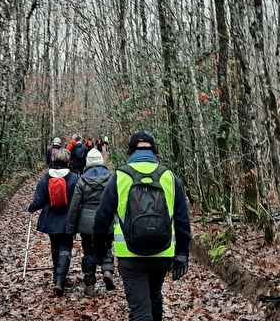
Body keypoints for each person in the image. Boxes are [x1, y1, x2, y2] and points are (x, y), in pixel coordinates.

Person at [92, 130, 191, 321]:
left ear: (130, 152)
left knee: (140, 310)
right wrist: (182, 253)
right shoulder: (169, 177)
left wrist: (100, 250)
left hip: (130, 255)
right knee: (154, 296)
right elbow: (182, 219)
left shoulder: (119, 176)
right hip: (163, 253)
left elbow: (102, 218)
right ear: (155, 151)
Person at [28, 149, 79, 297]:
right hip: (68, 220)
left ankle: (57, 275)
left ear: (52, 160)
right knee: (65, 248)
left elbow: (38, 202)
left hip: (50, 219)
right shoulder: (74, 178)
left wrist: (30, 208)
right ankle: (60, 279)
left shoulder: (45, 178)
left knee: (55, 247)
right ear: (68, 161)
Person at [66, 148, 115, 295]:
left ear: (88, 163)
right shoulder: (112, 178)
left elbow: (74, 206)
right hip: (107, 221)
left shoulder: (82, 180)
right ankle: (107, 271)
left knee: (88, 252)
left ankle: (89, 284)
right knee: (106, 247)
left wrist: (70, 228)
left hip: (87, 225)